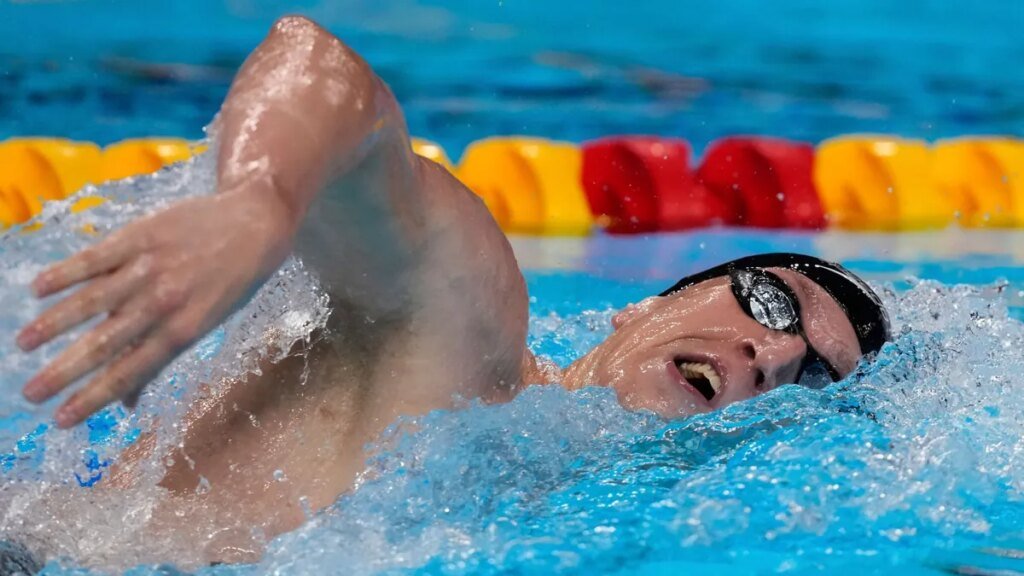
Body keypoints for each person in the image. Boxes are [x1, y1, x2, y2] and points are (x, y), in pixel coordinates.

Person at [9, 16, 889, 566]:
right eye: (770, 305)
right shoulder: (471, 343)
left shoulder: (557, 500)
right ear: (645, 304)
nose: (772, 355)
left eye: (811, 374)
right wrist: (259, 204)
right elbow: (318, 64)